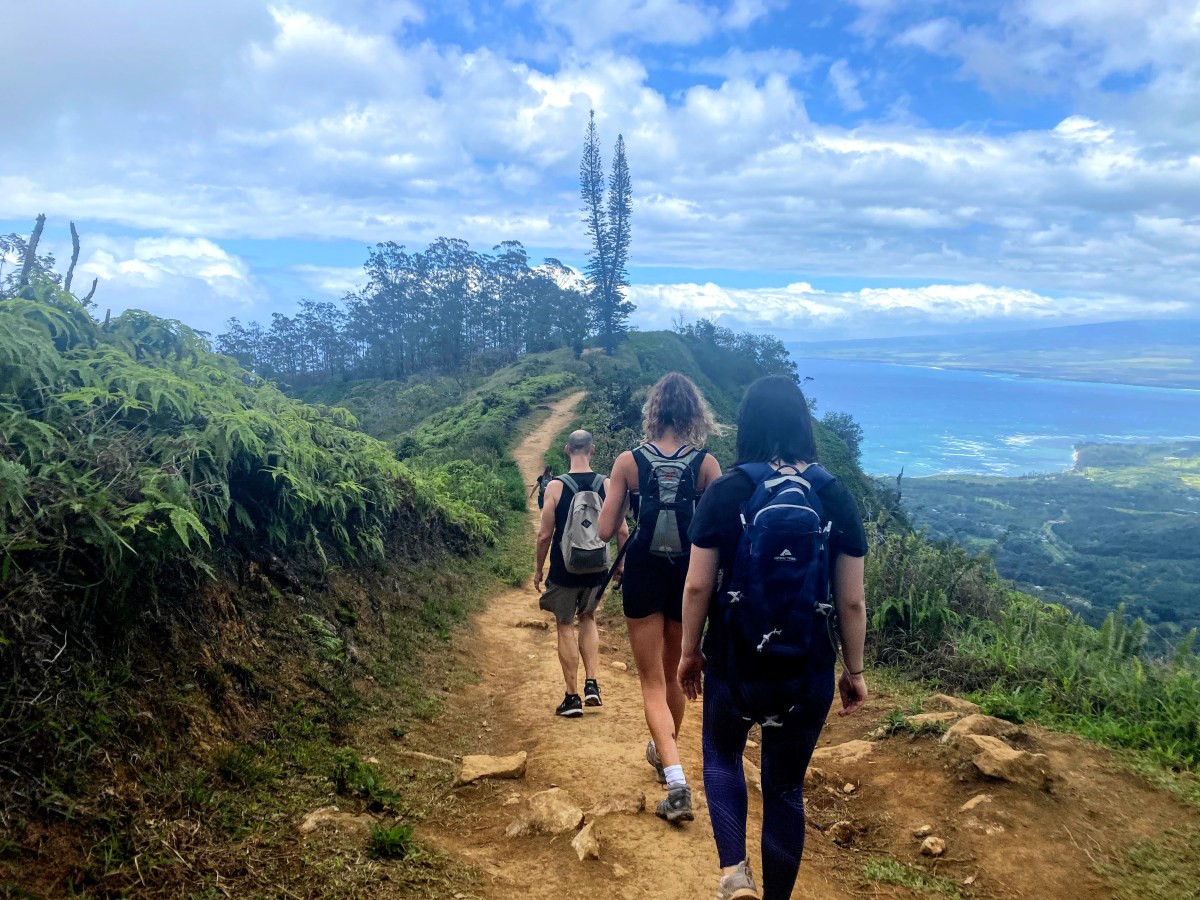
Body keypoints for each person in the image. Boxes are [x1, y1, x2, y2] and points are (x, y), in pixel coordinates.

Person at [679, 375, 869, 900]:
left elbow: (696, 586)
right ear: (803, 424)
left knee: (721, 756)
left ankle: (735, 873)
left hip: (735, 666)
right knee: (785, 787)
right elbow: (851, 601)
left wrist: (690, 653)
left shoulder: (728, 490)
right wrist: (854, 672)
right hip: (805, 671)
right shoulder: (834, 494)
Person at [598, 373, 722, 823]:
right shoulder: (707, 466)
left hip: (644, 574)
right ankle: (663, 753)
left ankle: (675, 780)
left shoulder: (629, 461)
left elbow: (606, 530)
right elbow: (719, 533)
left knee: (651, 681)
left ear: (654, 410)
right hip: (690, 579)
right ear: (693, 413)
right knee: (676, 673)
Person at [535, 430, 628, 717]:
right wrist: (619, 568)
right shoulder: (607, 485)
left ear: (567, 450)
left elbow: (544, 535)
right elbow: (622, 530)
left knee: (564, 625)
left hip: (564, 570)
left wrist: (539, 570)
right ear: (593, 449)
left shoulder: (555, 487)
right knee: (588, 618)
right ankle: (592, 684)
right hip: (597, 568)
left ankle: (572, 697)